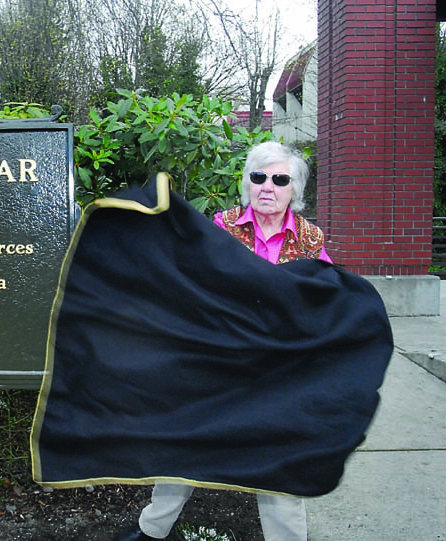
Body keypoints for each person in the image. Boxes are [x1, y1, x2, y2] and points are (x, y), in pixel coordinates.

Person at [114, 141, 331, 541]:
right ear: (246, 182)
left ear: (294, 190)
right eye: (258, 176)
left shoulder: (310, 240)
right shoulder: (222, 226)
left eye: (280, 179)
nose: (267, 186)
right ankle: (151, 530)